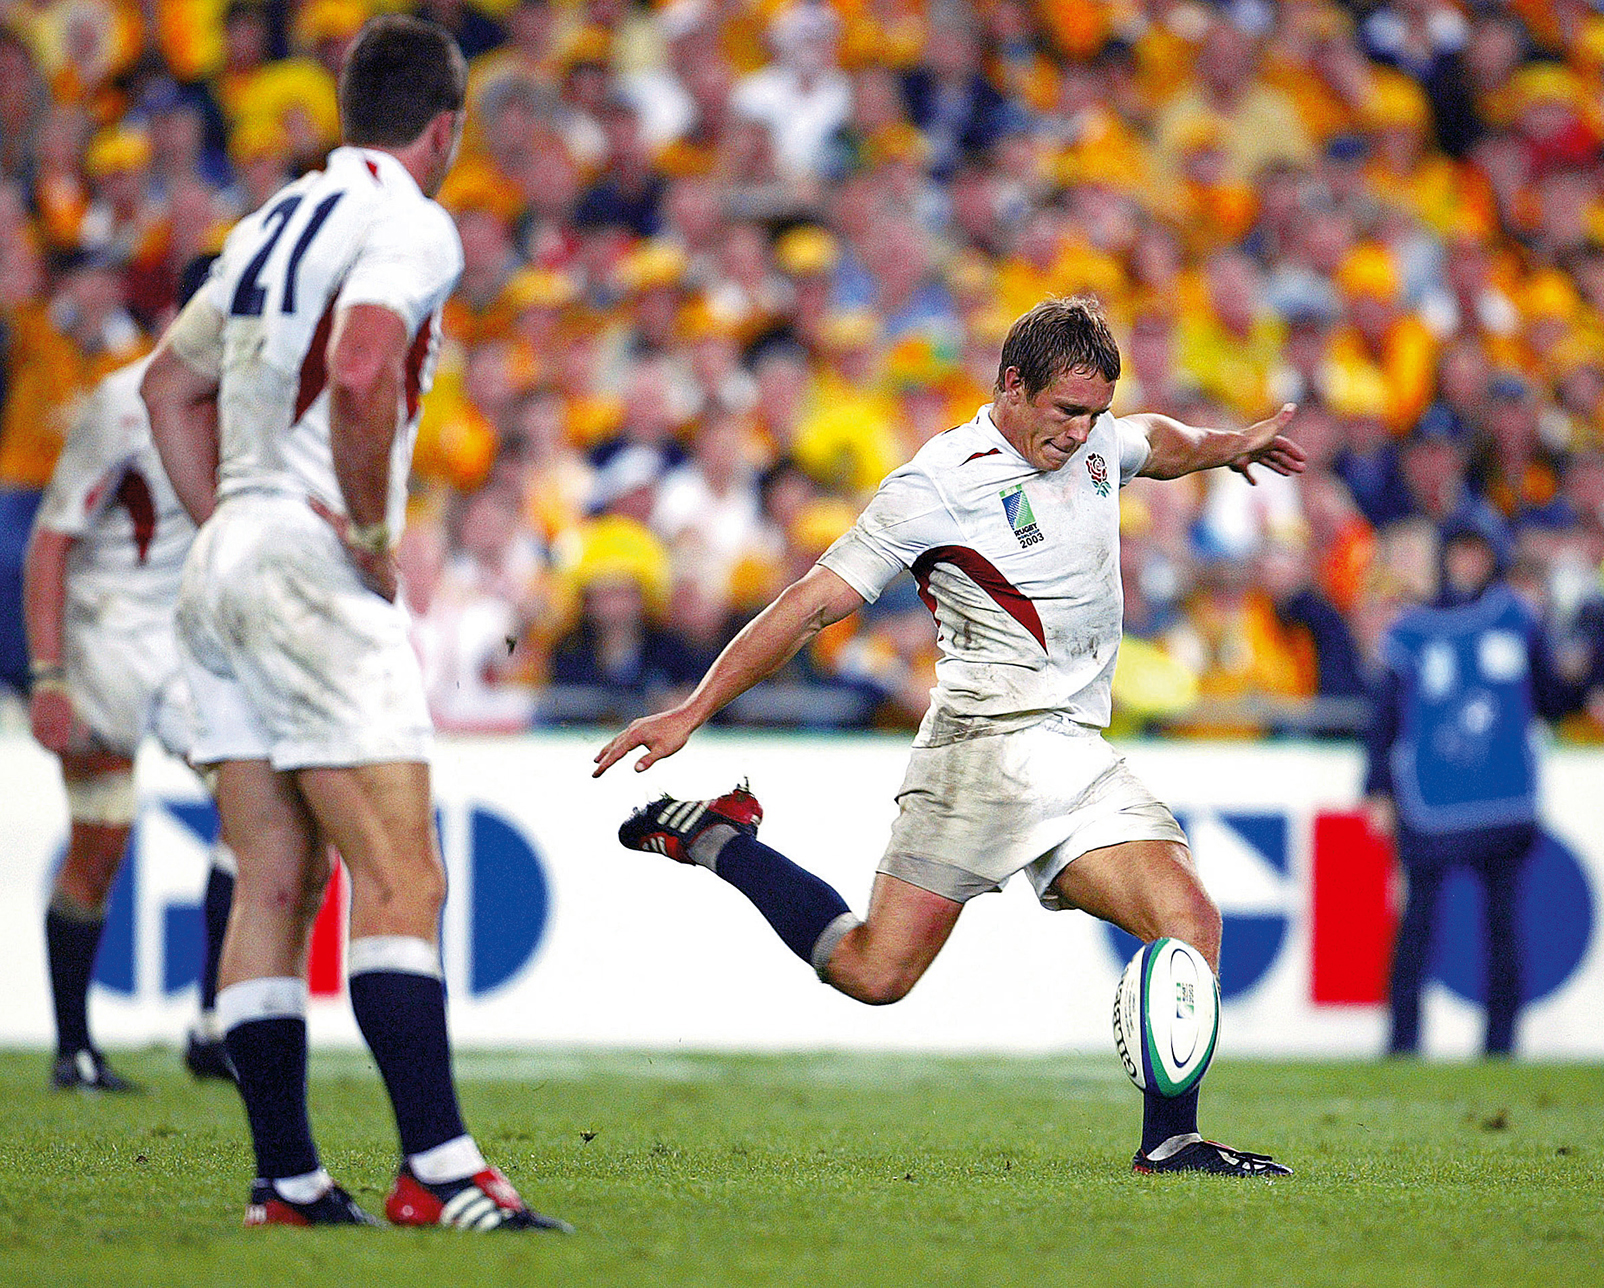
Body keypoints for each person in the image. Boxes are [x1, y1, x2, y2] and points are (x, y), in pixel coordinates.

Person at [596, 297, 1300, 1177]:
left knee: (1189, 919)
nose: (1083, 433)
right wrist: (689, 711)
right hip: (977, 754)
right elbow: (812, 604)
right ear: (1012, 386)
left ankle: (1171, 1141)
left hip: (1073, 749)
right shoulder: (938, 482)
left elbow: (1155, 441)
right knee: (871, 972)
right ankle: (715, 838)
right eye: (1066, 412)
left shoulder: (1098, 444)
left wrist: (1232, 444)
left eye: (1094, 413)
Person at [141, 16, 565, 1231]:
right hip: (313, 555)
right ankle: (439, 1170)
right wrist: (370, 533)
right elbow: (369, 365)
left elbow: (170, 386)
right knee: (400, 870)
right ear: (445, 127)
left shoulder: (271, 218)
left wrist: (230, 516)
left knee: (273, 878)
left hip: (225, 560)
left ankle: (286, 1180)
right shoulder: (408, 220)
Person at [23, 283, 236, 1091]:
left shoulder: (257, 395)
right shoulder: (123, 402)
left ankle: (213, 1023)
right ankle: (74, 1048)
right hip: (108, 630)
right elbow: (50, 543)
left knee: (258, 808)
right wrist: (48, 674)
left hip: (190, 635)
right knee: (101, 839)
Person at [1365, 510, 1604, 1058]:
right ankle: (1402, 1043)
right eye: (1459, 552)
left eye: (1478, 552)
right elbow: (1384, 719)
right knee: (1417, 928)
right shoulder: (1409, 632)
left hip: (1501, 797)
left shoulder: (1516, 620)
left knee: (1503, 928)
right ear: (1445, 559)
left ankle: (1501, 1047)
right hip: (1431, 798)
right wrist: (1378, 786)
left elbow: (1552, 699)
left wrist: (1589, 657)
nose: (1468, 563)